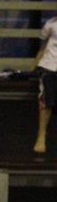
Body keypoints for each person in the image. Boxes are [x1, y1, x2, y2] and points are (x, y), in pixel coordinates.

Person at [32, 15, 57, 153]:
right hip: (49, 66)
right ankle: (41, 135)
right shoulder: (51, 24)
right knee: (47, 99)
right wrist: (33, 67)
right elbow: (42, 48)